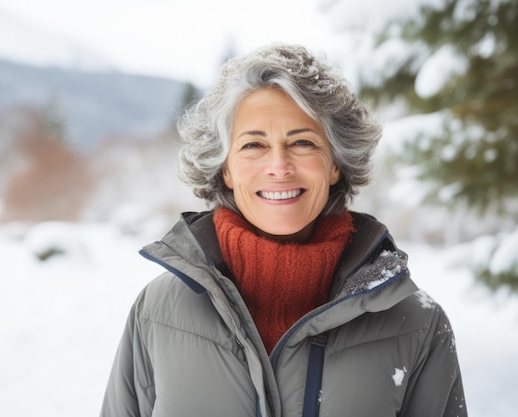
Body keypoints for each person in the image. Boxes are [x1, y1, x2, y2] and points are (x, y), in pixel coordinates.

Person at [100, 43, 467, 417]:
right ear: (225, 168)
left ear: (336, 164)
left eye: (302, 142)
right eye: (254, 144)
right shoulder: (158, 311)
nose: (279, 165)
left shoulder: (416, 322)